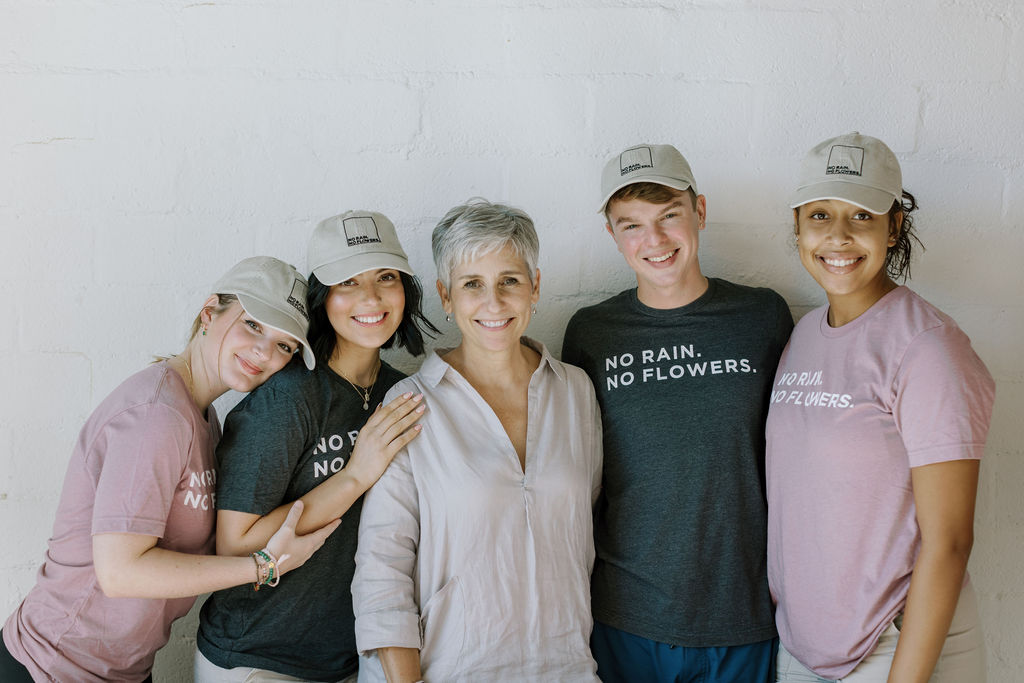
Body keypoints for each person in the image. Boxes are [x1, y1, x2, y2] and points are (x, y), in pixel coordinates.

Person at [0, 256, 340, 683]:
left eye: (285, 345)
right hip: (53, 666)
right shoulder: (155, 415)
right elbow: (120, 572)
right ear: (208, 312)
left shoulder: (203, 417)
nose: (265, 351)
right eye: (253, 325)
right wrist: (266, 566)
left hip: (121, 670)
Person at [767, 132, 994, 683]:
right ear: (798, 224)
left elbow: (950, 541)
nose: (839, 236)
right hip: (806, 649)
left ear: (893, 227)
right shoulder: (804, 335)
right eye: (820, 214)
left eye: (862, 216)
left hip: (895, 651)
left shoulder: (929, 348)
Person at [561, 144, 793, 682]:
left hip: (744, 615)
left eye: (670, 216)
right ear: (612, 235)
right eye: (632, 225)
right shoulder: (592, 331)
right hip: (625, 616)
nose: (656, 241)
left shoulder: (763, 316)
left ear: (700, 212)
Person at [351, 199, 603, 682]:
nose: (494, 302)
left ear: (535, 287)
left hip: (567, 669)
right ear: (446, 296)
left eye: (510, 280)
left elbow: (582, 527)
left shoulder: (575, 390)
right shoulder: (408, 404)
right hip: (451, 671)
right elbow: (382, 571)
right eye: (472, 284)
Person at [195, 211, 436, 683]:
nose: (370, 297)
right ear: (322, 299)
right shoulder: (289, 396)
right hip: (259, 658)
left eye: (386, 277)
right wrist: (354, 476)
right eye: (347, 282)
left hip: (351, 660)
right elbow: (234, 543)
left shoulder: (404, 393)